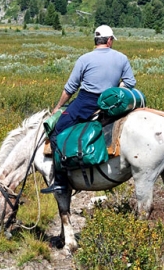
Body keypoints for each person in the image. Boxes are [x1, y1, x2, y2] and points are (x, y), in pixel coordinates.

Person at [42, 24, 136, 194]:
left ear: (96, 41)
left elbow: (70, 89)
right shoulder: (122, 58)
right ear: (109, 41)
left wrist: (57, 108)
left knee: (56, 130)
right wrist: (114, 91)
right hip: (110, 104)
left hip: (86, 102)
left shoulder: (84, 59)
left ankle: (61, 180)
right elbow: (130, 82)